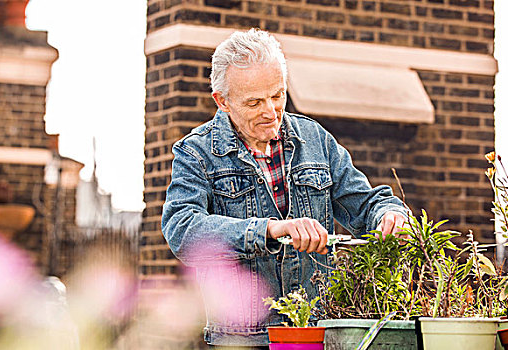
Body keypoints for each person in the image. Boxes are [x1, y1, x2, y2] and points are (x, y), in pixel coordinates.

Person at [162, 28, 408, 348]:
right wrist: (268, 230)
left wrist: (390, 214)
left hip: (316, 333)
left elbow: (364, 203)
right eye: (254, 102)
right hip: (241, 340)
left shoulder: (315, 139)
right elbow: (182, 230)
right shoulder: (196, 153)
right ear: (222, 101)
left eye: (277, 95)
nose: (270, 111)